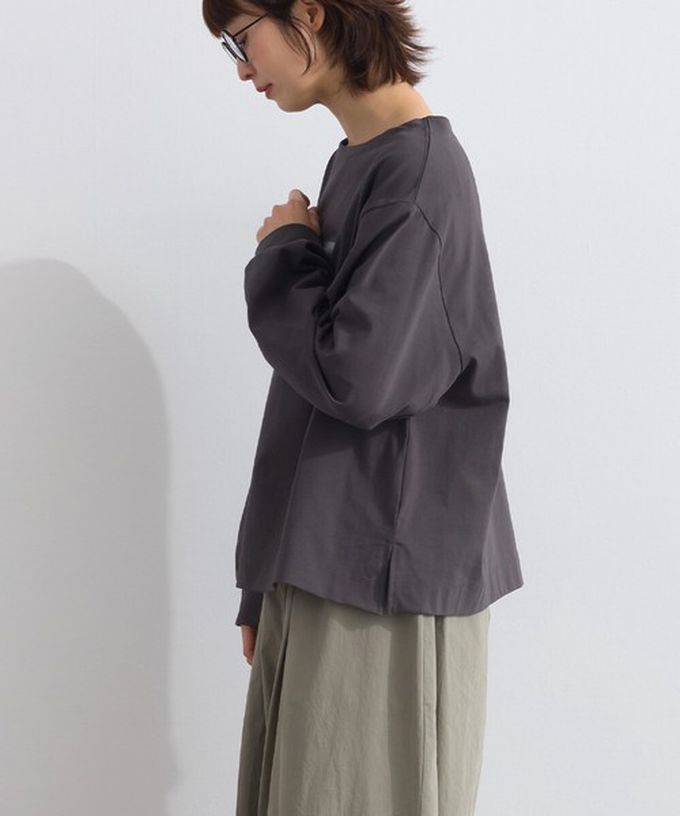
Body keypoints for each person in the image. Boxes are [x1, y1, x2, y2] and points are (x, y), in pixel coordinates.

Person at [202, 1, 524, 813]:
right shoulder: (362, 160)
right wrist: (267, 572)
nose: (242, 68)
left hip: (383, 577)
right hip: (333, 558)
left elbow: (360, 380)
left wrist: (284, 254)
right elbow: (313, 398)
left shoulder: (418, 176)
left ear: (308, 12)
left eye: (241, 39)